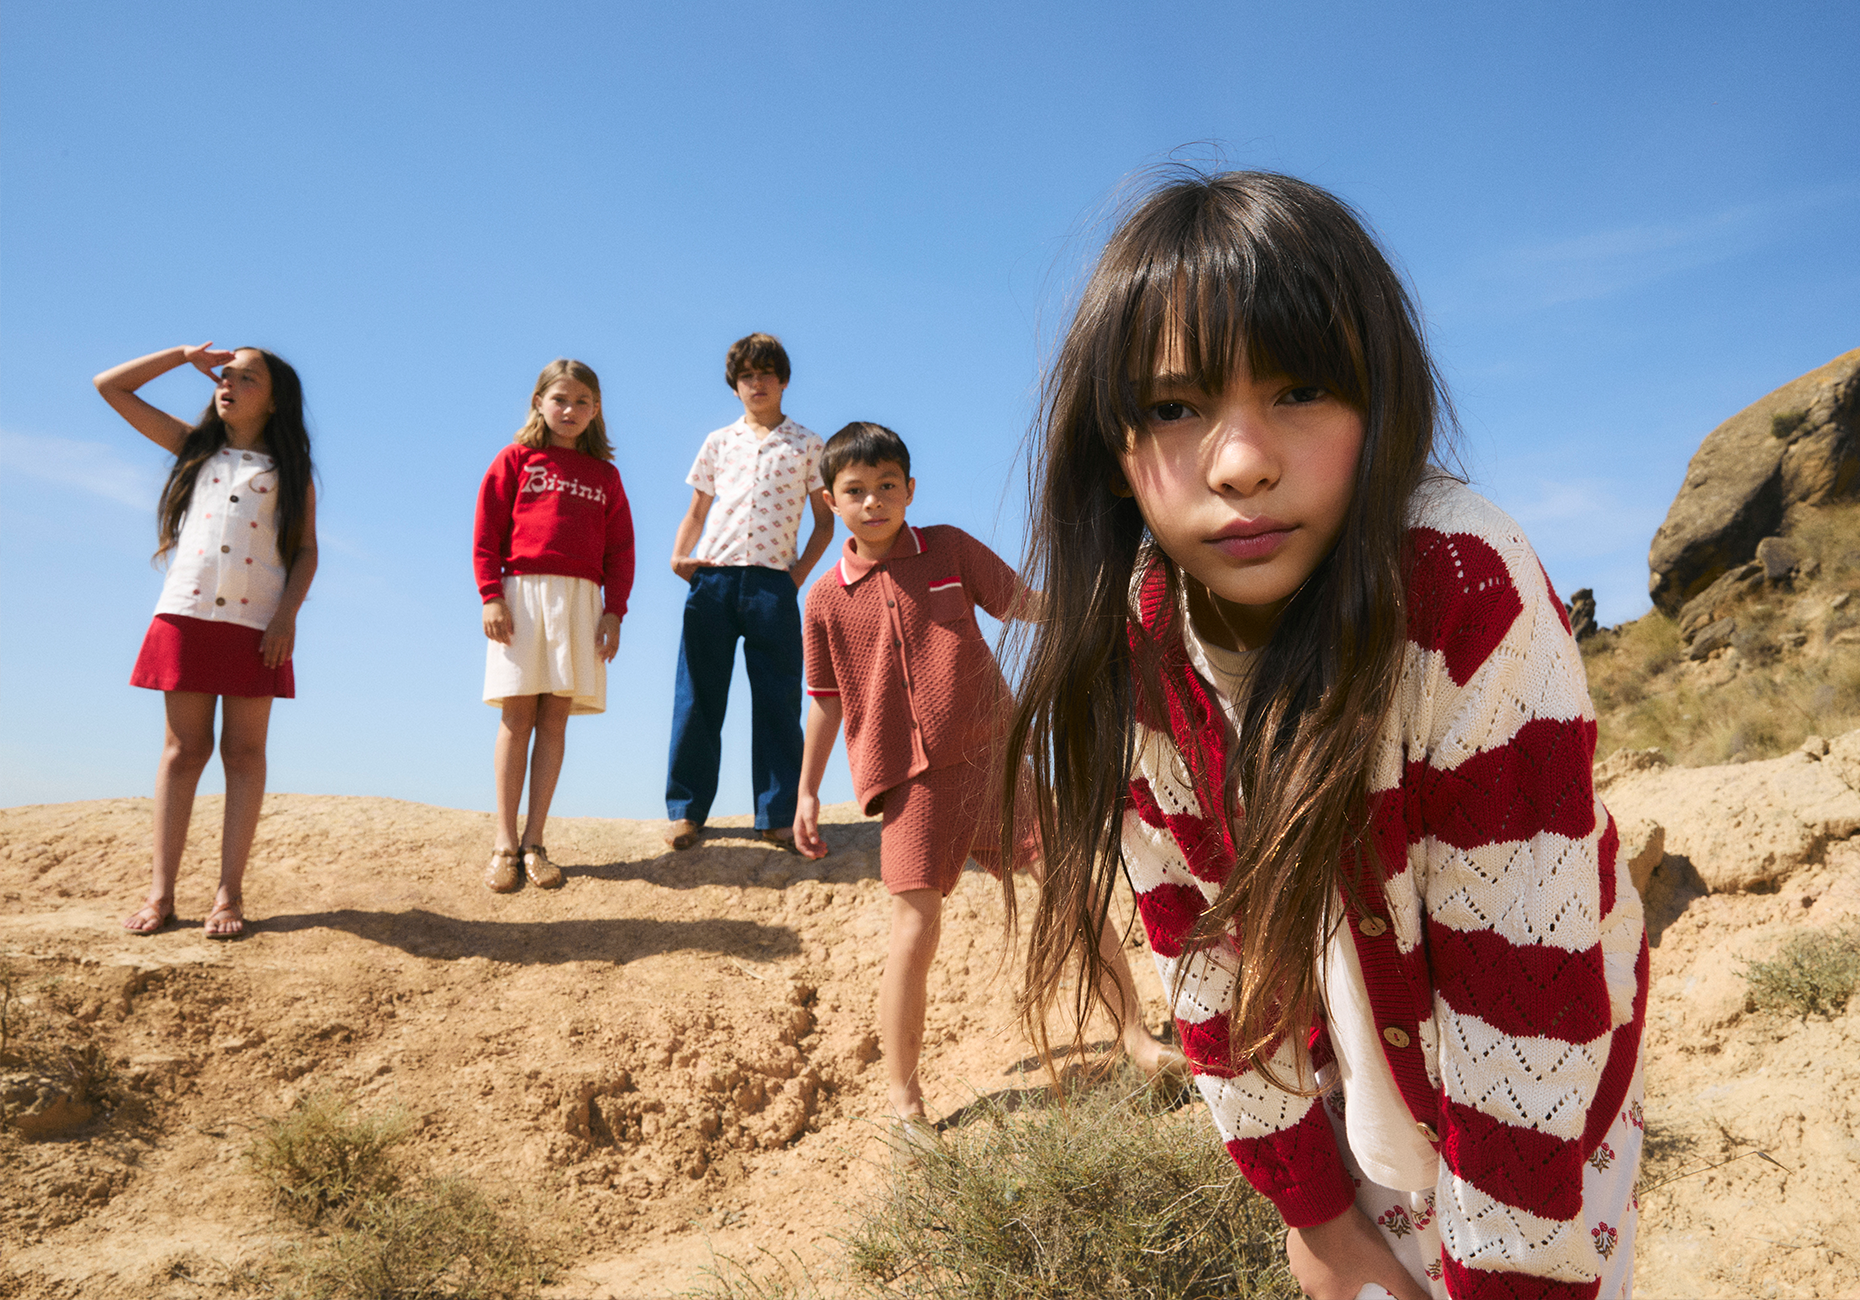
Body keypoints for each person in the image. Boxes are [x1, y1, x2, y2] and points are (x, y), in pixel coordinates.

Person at [1002, 171, 1648, 1300]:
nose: (1241, 461)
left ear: (1381, 404)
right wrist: (1313, 1208)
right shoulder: (1135, 646)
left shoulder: (1461, 591)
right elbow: (1198, 948)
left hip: (1540, 1099)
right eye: (1173, 408)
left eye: (1300, 389)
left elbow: (1524, 1000)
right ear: (1112, 446)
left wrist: (1510, 1279)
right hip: (1353, 1095)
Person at [794, 422, 1185, 1141]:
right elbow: (824, 700)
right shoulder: (823, 600)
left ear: (910, 490)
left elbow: (1022, 602)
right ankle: (905, 1103)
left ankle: (1135, 1036)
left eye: (887, 486)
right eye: (856, 490)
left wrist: (1106, 600)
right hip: (907, 787)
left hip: (997, 764)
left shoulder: (947, 549)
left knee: (1071, 887)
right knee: (915, 928)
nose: (874, 501)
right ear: (830, 501)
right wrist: (807, 790)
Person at [96, 343, 319, 939]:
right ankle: (161, 895)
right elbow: (110, 386)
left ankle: (228, 894)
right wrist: (179, 356)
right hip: (186, 613)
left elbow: (305, 550)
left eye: (247, 379)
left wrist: (286, 617)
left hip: (257, 624)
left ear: (274, 401)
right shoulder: (194, 448)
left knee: (244, 754)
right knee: (183, 751)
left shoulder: (292, 471)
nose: (228, 384)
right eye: (225, 375)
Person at [664, 333, 833, 851]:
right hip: (713, 579)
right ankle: (686, 811)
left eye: (766, 374)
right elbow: (697, 511)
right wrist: (679, 556)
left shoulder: (808, 444)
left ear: (784, 381)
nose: (756, 383)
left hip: (773, 583)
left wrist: (796, 576)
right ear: (734, 386)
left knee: (778, 698)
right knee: (698, 695)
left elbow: (825, 521)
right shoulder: (719, 441)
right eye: (746, 376)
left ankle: (777, 814)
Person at [474, 359, 635, 892]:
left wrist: (614, 611)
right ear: (539, 402)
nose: (570, 410)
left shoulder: (606, 476)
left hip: (581, 601)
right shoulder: (516, 459)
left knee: (555, 719)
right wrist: (491, 596)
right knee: (517, 715)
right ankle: (503, 843)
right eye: (560, 399)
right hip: (520, 595)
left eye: (582, 401)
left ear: (596, 410)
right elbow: (486, 533)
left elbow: (621, 551)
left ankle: (534, 841)